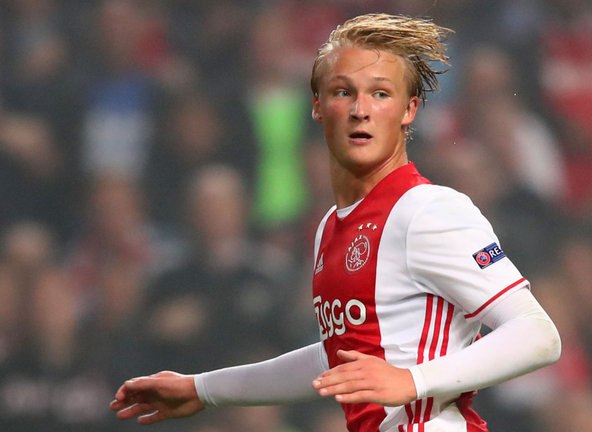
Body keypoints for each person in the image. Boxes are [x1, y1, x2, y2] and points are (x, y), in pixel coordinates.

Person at [110, 13, 561, 432]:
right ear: (318, 106)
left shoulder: (428, 210)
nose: (361, 109)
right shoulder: (331, 225)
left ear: (409, 110)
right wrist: (202, 389)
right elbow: (335, 360)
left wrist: (413, 380)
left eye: (380, 94)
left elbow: (537, 333)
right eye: (344, 91)